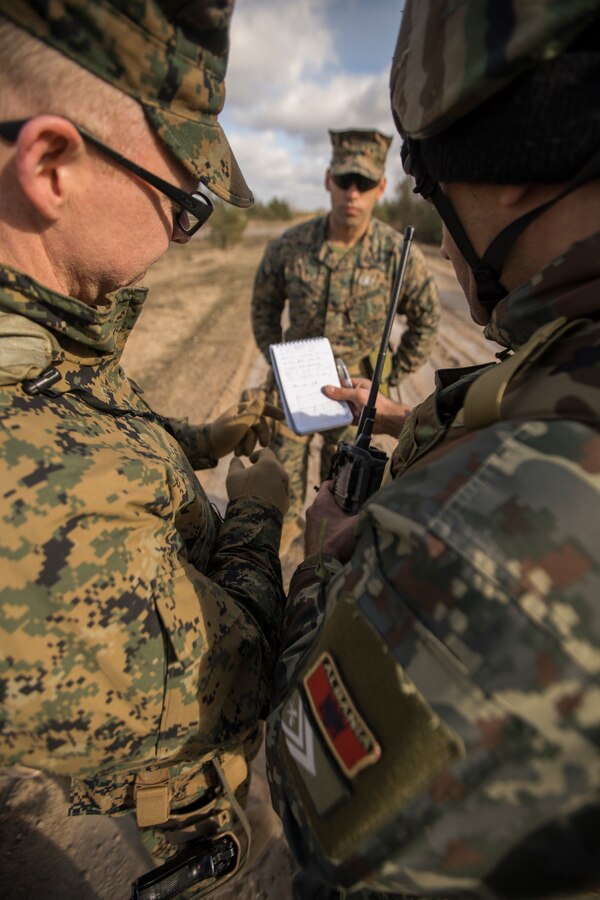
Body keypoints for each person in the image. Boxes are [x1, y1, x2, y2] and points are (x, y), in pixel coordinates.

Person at [265, 2, 600, 898]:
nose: (445, 236)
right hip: (341, 426)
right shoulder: (294, 248)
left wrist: (326, 571)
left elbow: (314, 792)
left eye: (423, 175)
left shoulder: (484, 531)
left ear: (521, 159)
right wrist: (398, 417)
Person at [0, 0, 289, 894]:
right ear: (52, 164)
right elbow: (232, 680)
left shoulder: (43, 331)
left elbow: (93, 428)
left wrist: (204, 439)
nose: (180, 230)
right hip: (169, 781)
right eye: (187, 201)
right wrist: (256, 514)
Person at [251, 128, 440, 552]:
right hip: (292, 404)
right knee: (272, 505)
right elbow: (263, 308)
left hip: (359, 407)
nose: (352, 193)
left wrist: (387, 373)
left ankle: (318, 598)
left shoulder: (399, 255)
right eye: (344, 181)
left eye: (365, 183)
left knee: (339, 518)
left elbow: (426, 320)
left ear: (382, 188)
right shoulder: (290, 246)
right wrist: (280, 365)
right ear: (327, 180)